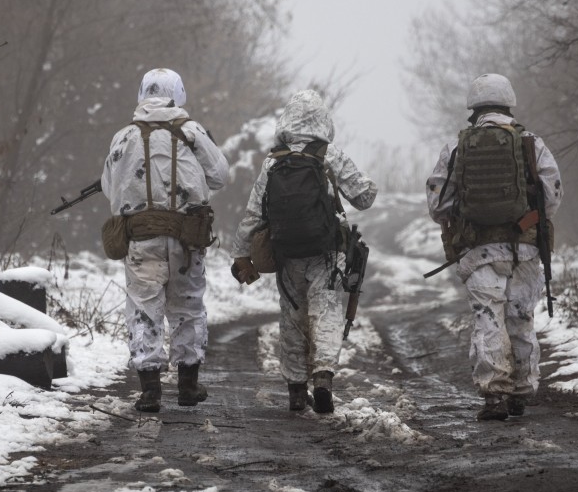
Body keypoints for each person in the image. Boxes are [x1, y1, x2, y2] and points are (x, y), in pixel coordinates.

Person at [230, 89, 377, 414]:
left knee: (292, 317)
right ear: (322, 120)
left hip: (286, 252)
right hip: (326, 251)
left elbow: (253, 215)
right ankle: (323, 377)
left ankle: (296, 390)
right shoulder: (329, 155)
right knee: (324, 310)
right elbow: (365, 197)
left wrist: (241, 254)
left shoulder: (273, 161)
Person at [425, 73, 563, 421]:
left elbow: (437, 205)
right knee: (521, 317)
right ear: (509, 102)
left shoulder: (457, 147)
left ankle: (495, 396)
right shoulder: (532, 143)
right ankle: (521, 391)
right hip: (526, 248)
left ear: (474, 107)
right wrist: (526, 221)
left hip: (477, 251)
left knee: (489, 318)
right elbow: (552, 195)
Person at [101, 68, 229, 413]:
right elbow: (219, 177)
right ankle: (188, 386)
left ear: (142, 93)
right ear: (179, 93)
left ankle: (150, 391)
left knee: (144, 310)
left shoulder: (123, 137)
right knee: (187, 309)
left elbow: (108, 188)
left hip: (141, 240)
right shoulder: (192, 132)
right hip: (188, 239)